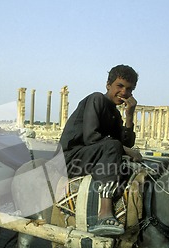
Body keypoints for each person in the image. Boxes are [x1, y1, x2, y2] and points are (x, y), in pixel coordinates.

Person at [58, 64, 142, 236]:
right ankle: (104, 213)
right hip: (70, 158)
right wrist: (125, 150)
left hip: (90, 158)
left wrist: (129, 115)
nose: (124, 92)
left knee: (123, 158)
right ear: (108, 85)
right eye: (120, 86)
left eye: (129, 89)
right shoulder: (97, 99)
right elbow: (91, 137)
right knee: (114, 147)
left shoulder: (115, 114)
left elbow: (126, 143)